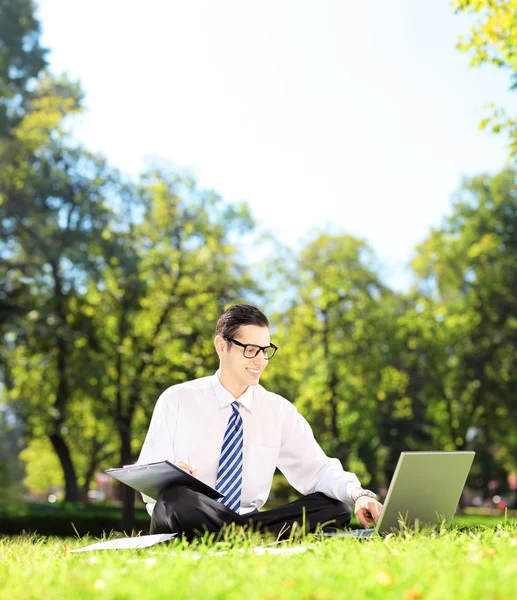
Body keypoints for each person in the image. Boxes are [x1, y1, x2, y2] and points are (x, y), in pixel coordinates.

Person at [138, 304, 383, 539]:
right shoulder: (177, 399)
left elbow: (318, 470)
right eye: (250, 349)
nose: (260, 361)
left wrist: (359, 494)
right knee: (176, 498)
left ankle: (236, 536)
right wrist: (173, 475)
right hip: (190, 511)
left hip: (245, 520)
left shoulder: (278, 410)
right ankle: (252, 536)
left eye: (265, 350)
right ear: (221, 345)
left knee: (337, 506)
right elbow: (148, 477)